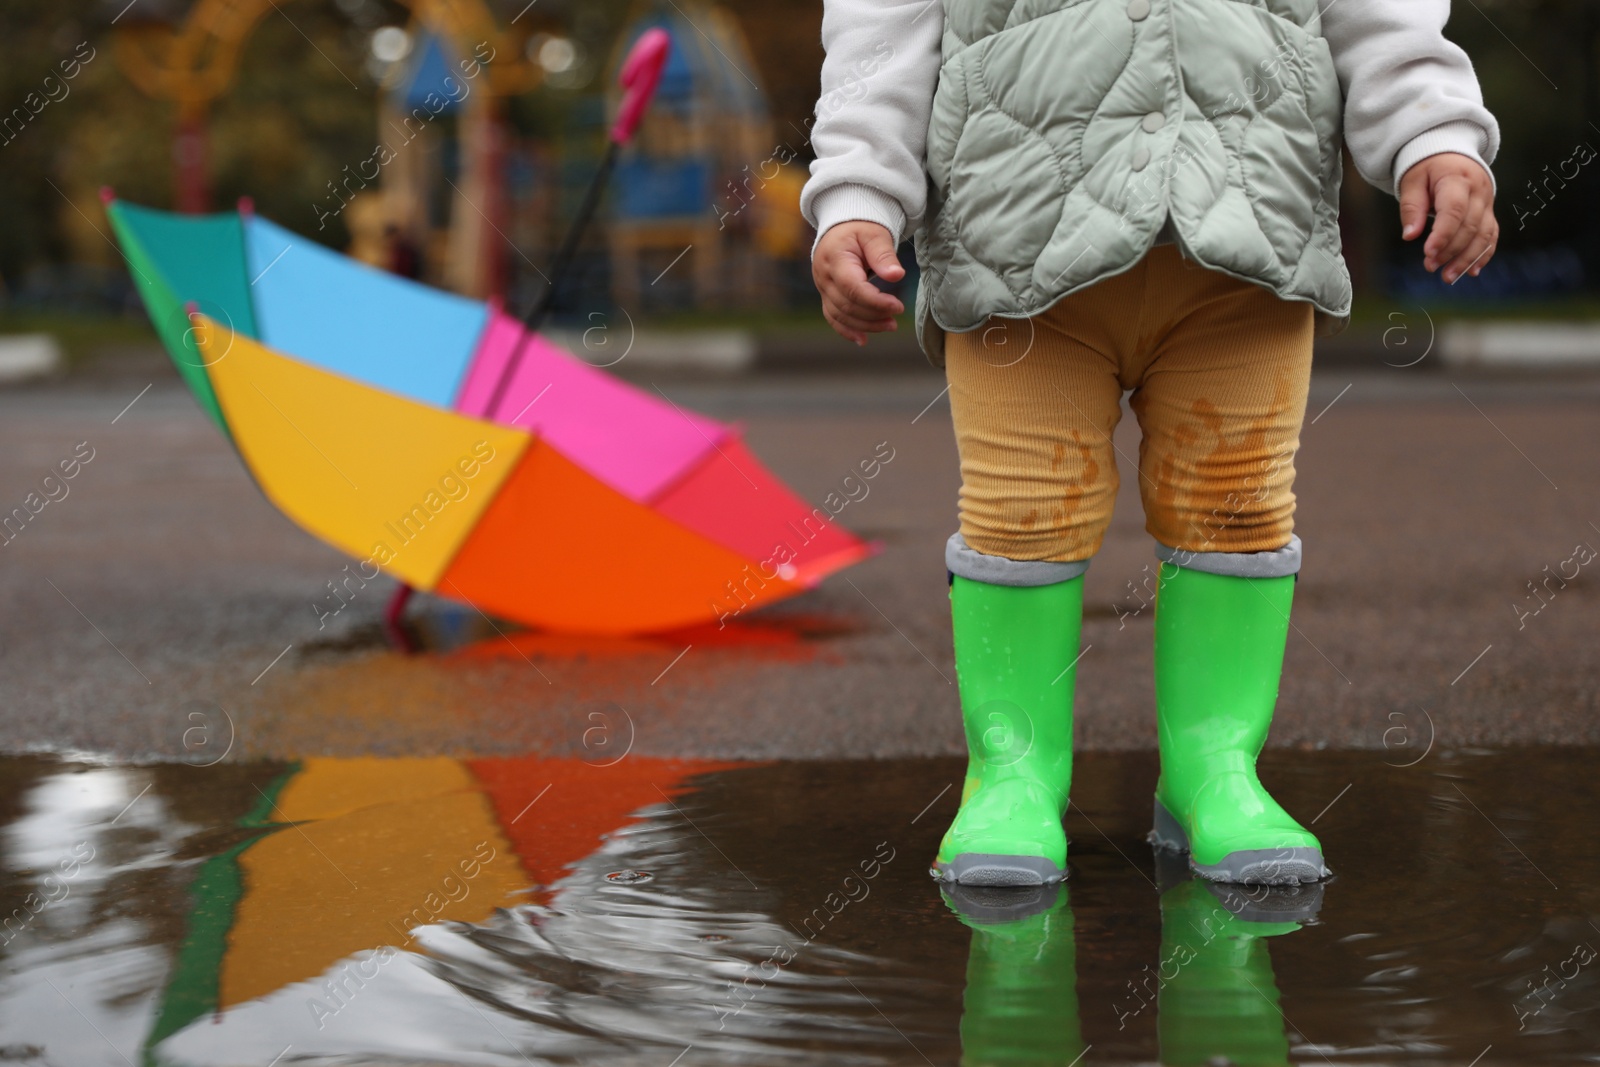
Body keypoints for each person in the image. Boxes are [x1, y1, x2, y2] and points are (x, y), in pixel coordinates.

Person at [802, 0, 1498, 885]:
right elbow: (881, 32)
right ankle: (1013, 774)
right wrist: (859, 189)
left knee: (1236, 504)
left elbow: (1383, 16)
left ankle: (1216, 767)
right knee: (1020, 512)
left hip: (1250, 227)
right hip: (1015, 233)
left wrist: (1434, 132)